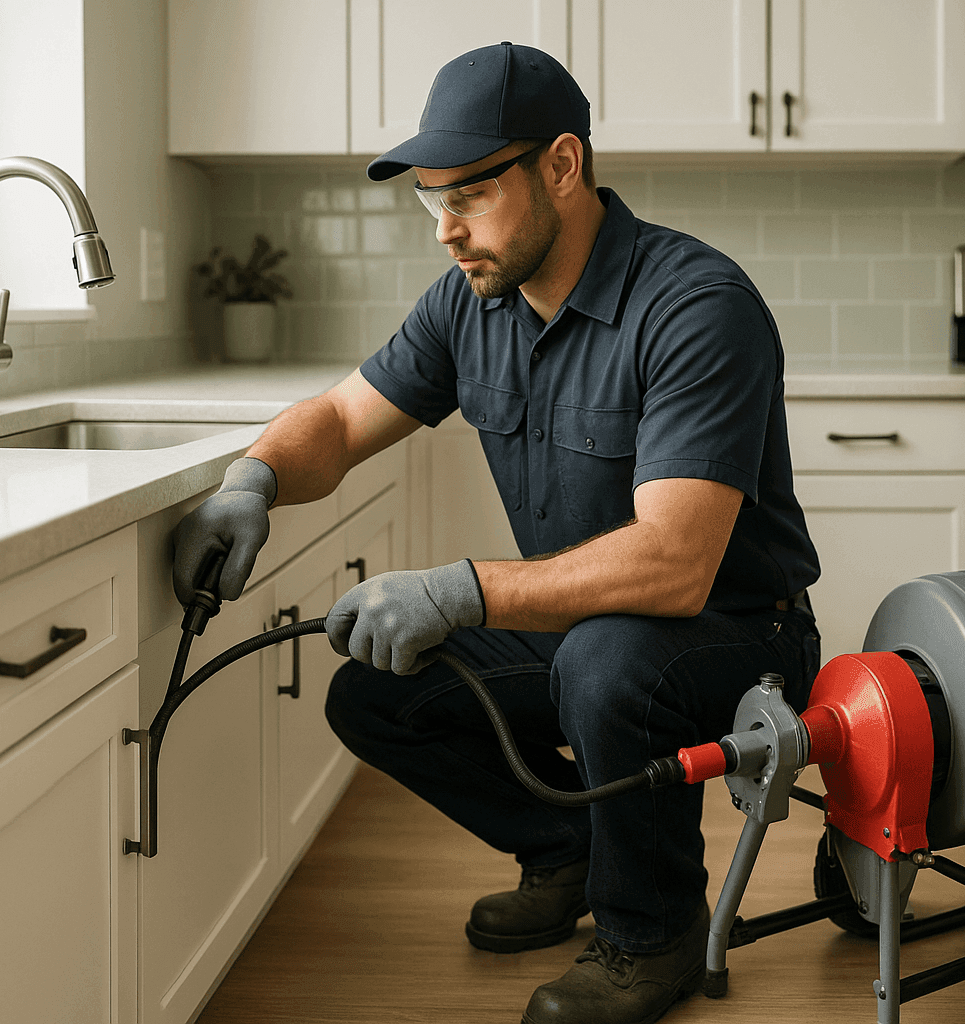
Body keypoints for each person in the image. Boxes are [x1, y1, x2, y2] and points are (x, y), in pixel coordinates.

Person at [171, 41, 820, 1024]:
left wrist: (458, 589)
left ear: (561, 165)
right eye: (431, 200)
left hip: (739, 631)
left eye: (469, 194)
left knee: (605, 661)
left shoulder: (694, 306)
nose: (446, 229)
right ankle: (569, 848)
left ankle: (652, 932)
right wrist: (253, 476)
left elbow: (677, 564)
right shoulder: (471, 303)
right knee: (377, 690)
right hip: (586, 626)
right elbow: (341, 419)